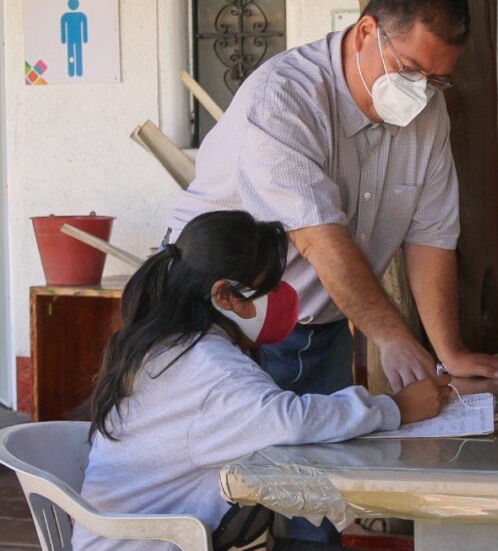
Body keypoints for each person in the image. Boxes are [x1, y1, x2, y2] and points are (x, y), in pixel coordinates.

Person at [166, 0, 498, 402]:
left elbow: (430, 236)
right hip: (222, 318)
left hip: (318, 323)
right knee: (235, 464)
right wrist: (393, 338)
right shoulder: (284, 99)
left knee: (323, 465)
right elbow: (319, 240)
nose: (420, 91)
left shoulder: (429, 112)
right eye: (410, 69)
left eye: (435, 79)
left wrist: (450, 352)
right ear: (366, 32)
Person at [71, 211, 451, 550]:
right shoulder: (207, 366)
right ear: (223, 294)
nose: (282, 299)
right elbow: (291, 419)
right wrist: (397, 407)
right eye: (268, 289)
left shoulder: (170, 344)